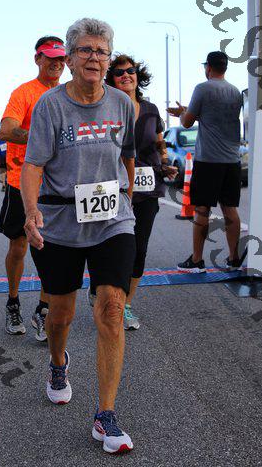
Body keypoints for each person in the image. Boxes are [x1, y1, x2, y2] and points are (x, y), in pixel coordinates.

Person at [21, 18, 135, 454]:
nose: (94, 58)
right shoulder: (50, 106)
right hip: (61, 221)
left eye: (101, 51)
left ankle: (106, 415)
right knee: (61, 314)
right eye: (85, 50)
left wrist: (128, 198)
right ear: (69, 59)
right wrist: (31, 211)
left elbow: (127, 156)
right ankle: (57, 363)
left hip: (111, 221)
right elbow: (33, 165)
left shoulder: (121, 104)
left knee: (111, 308)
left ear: (109, 59)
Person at [91, 54, 177, 330]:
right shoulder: (106, 108)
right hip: (113, 187)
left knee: (139, 248)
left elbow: (159, 143)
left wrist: (166, 163)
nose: (126, 75)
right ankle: (99, 288)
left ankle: (125, 304)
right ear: (111, 79)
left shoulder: (151, 110)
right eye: (119, 72)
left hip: (147, 188)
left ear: (138, 76)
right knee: (107, 245)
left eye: (130, 71)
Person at [0, 36, 66, 340]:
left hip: (57, 186)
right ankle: (13, 302)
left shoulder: (69, 94)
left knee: (51, 250)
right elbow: (6, 129)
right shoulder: (24, 92)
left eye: (61, 58)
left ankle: (43, 310)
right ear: (37, 58)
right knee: (19, 247)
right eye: (50, 57)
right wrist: (39, 136)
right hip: (21, 182)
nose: (57, 63)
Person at [167, 51, 243, 273]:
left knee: (202, 209)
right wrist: (190, 111)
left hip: (208, 159)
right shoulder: (235, 92)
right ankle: (234, 259)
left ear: (208, 67)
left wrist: (182, 113)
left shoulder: (202, 88)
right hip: (232, 159)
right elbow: (215, 117)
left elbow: (187, 123)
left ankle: (197, 261)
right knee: (230, 209)